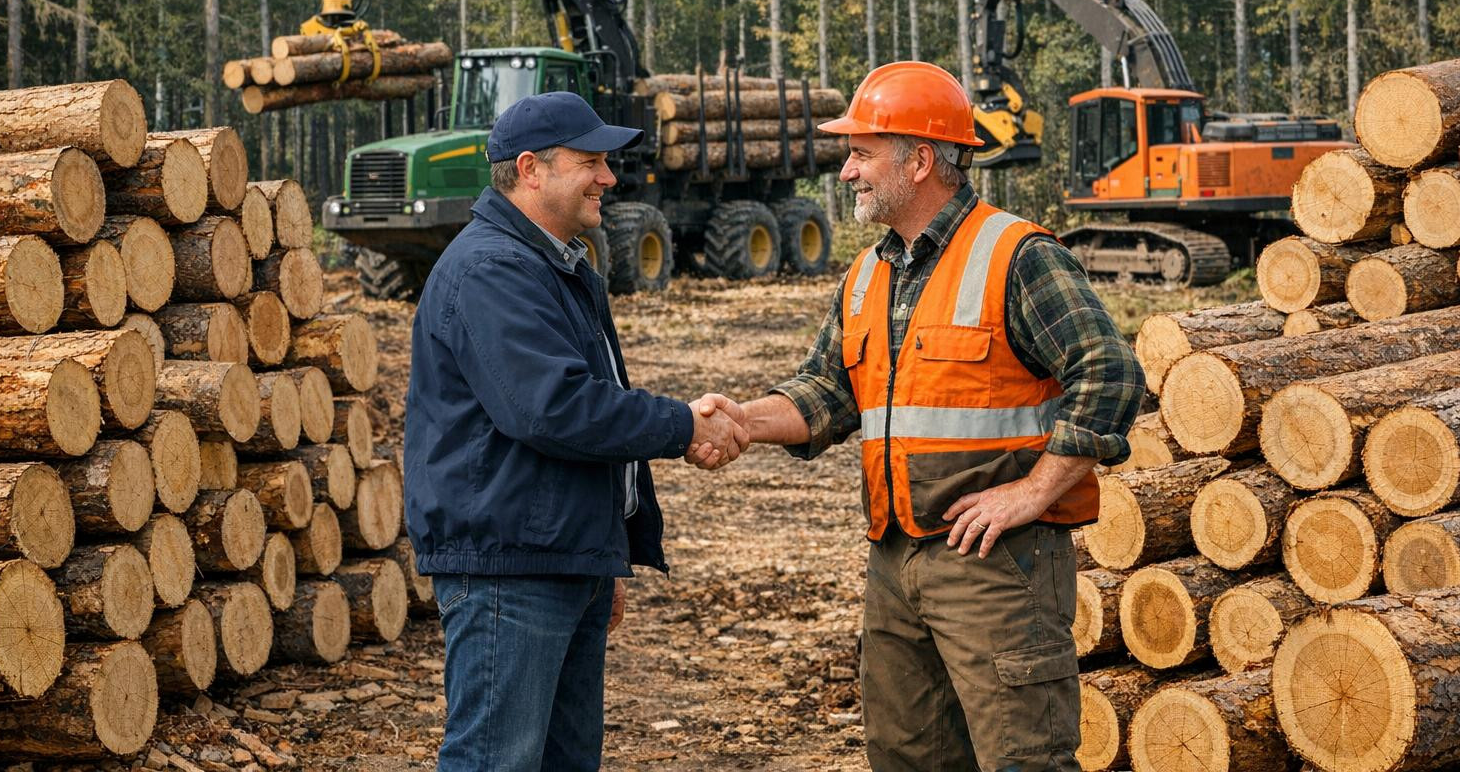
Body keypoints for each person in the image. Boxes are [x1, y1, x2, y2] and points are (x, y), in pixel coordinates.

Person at [727, 61, 1144, 772]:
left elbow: (1109, 374)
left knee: (1026, 759)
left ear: (920, 160)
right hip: (894, 559)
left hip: (997, 566)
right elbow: (827, 392)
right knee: (906, 756)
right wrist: (739, 421)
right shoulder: (868, 275)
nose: (848, 171)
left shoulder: (1017, 255)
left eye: (861, 153)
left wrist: (1033, 493)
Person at [403, 91, 748, 772]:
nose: (610, 177)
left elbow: (584, 409)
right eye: (591, 161)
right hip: (510, 567)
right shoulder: (491, 269)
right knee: (494, 761)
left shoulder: (553, 264)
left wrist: (602, 551)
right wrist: (683, 424)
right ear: (530, 170)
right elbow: (552, 408)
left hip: (559, 556)